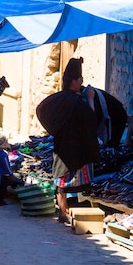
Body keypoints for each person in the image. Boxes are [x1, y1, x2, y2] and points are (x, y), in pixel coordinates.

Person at [36, 57, 100, 223]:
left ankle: (63, 212)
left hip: (62, 146)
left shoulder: (60, 99)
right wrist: (91, 99)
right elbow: (91, 120)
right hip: (76, 148)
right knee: (65, 179)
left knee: (61, 179)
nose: (82, 83)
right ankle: (64, 212)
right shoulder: (77, 102)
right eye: (80, 80)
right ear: (74, 81)